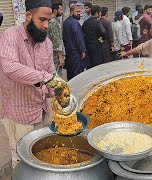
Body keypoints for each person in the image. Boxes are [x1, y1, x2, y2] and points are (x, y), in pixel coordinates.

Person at [0, 0, 70, 168]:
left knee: (42, 154)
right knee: (23, 160)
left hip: (42, 110)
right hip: (20, 113)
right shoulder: (11, 35)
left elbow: (51, 72)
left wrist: (60, 96)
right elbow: (9, 67)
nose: (46, 25)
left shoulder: (46, 43)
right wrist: (46, 78)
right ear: (28, 16)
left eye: (49, 20)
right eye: (42, 20)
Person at [63, 4, 87, 80]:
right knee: (77, 76)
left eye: (80, 11)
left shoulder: (66, 22)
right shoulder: (74, 23)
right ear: (71, 12)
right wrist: (82, 50)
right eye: (77, 11)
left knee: (70, 74)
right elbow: (78, 38)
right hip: (75, 53)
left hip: (69, 52)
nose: (79, 13)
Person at [47, 3, 65, 76]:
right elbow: (56, 40)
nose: (62, 11)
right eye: (60, 9)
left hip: (54, 53)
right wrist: (60, 57)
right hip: (55, 54)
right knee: (57, 75)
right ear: (55, 10)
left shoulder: (53, 21)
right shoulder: (53, 22)